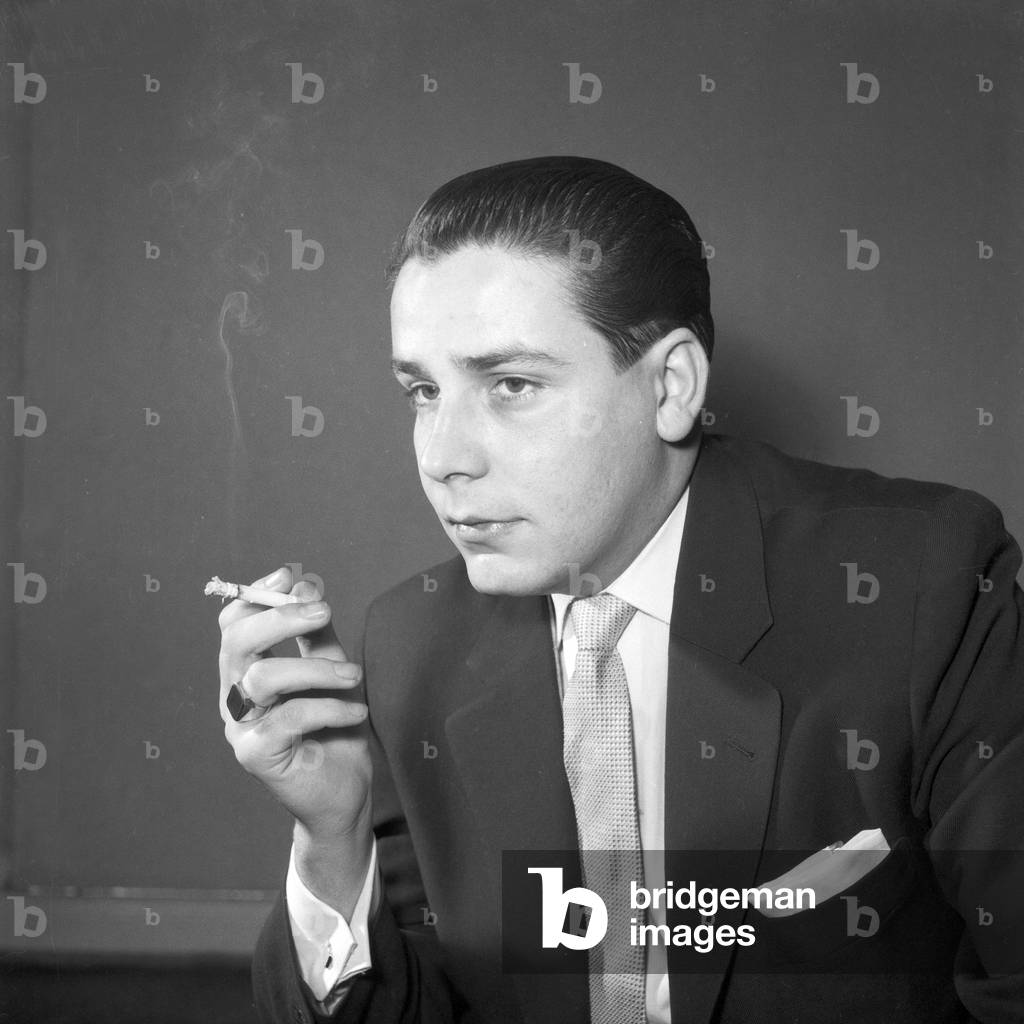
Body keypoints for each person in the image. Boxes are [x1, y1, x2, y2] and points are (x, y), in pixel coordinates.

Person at [216, 156, 1024, 1023]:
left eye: (511, 385)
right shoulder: (410, 643)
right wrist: (332, 838)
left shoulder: (926, 585)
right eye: (422, 391)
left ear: (670, 387)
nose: (442, 456)